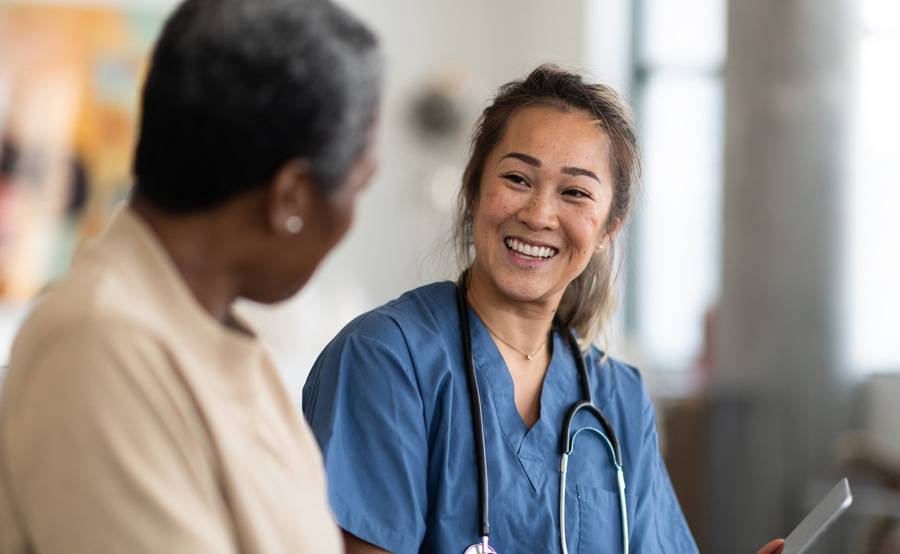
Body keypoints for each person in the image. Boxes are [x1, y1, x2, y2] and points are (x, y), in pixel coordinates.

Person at [302, 66, 785, 554]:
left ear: (607, 230)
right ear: (472, 192)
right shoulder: (385, 359)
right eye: (517, 178)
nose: (537, 214)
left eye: (574, 192)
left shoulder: (618, 397)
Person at [0, 0, 381, 552]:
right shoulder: (101, 345)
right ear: (291, 197)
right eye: (358, 185)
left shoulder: (216, 336)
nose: (353, 214)